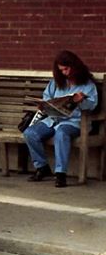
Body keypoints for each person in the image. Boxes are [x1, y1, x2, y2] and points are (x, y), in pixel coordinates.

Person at [23, 50, 98, 187]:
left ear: (74, 66)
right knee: (30, 133)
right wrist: (44, 105)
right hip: (53, 119)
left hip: (74, 122)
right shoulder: (56, 83)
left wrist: (81, 101)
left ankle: (60, 173)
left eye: (66, 69)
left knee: (61, 133)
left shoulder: (87, 85)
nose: (65, 73)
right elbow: (47, 98)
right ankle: (42, 167)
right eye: (61, 70)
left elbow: (91, 106)